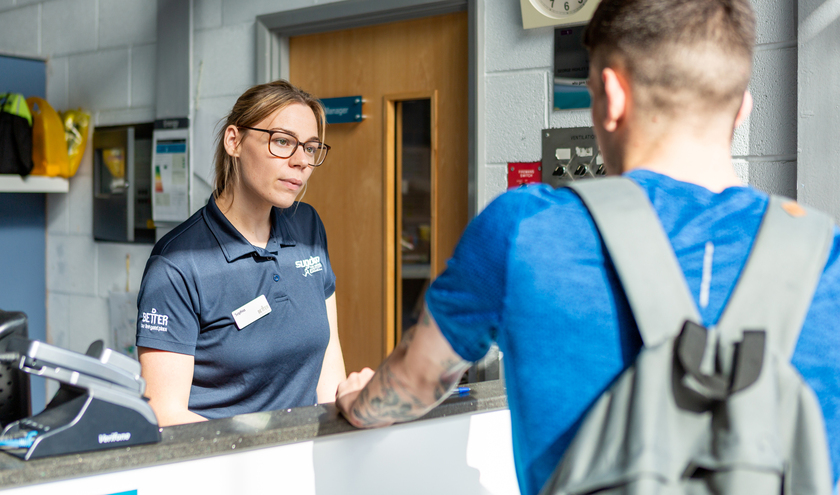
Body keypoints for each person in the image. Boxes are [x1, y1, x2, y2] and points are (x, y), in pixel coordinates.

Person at [335, 1, 840, 494]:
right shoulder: (826, 251)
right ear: (743, 107)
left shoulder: (526, 227)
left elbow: (417, 381)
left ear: (611, 94)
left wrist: (361, 401)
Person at [136, 80, 346, 426]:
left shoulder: (307, 225)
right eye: (282, 141)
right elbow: (164, 412)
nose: (301, 162)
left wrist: (339, 426)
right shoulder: (177, 264)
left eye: (310, 148)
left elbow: (329, 361)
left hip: (303, 456)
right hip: (222, 464)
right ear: (234, 141)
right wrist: (258, 453)